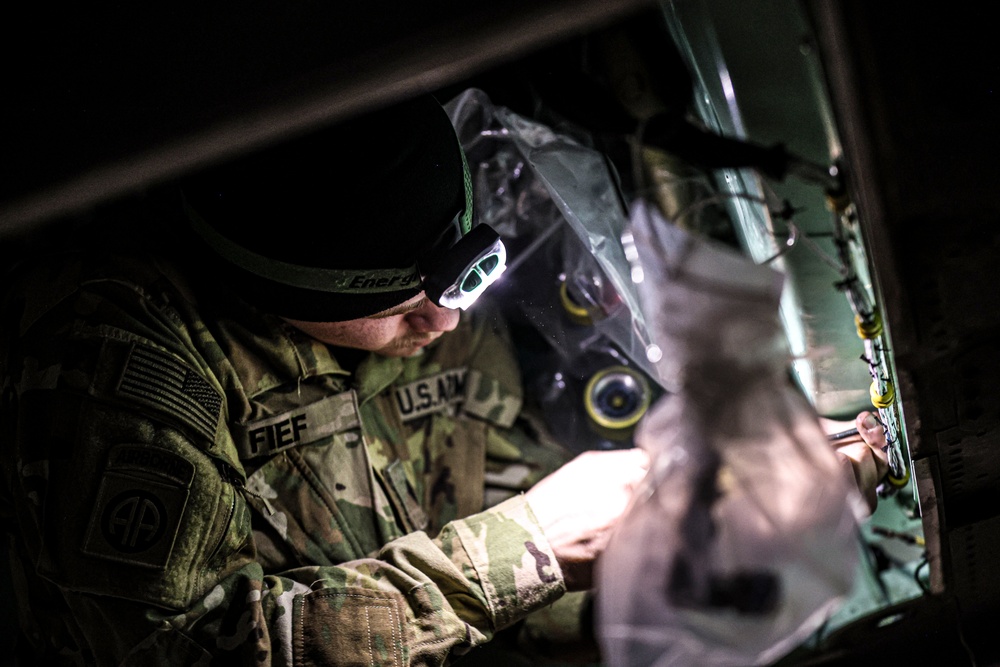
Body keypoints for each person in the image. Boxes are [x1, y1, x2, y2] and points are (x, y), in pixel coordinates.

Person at [0, 93, 887, 665]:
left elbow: (487, 516)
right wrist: (529, 542)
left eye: (465, 281)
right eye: (398, 305)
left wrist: (679, 559)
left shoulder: (428, 312)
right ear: (276, 292)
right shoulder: (116, 362)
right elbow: (187, 653)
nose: (445, 322)